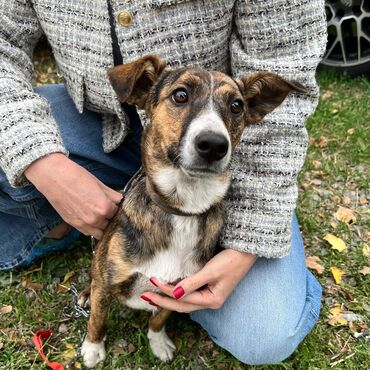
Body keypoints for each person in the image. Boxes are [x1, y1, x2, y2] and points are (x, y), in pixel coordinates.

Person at [0, 0, 327, 365]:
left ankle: (159, 310)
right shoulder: (144, 86)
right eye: (182, 96)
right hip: (94, 120)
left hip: (213, 189)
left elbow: (284, 59)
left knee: (265, 333)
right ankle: (64, 224)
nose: (212, 134)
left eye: (234, 108)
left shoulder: (239, 126)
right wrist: (42, 162)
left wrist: (250, 242)